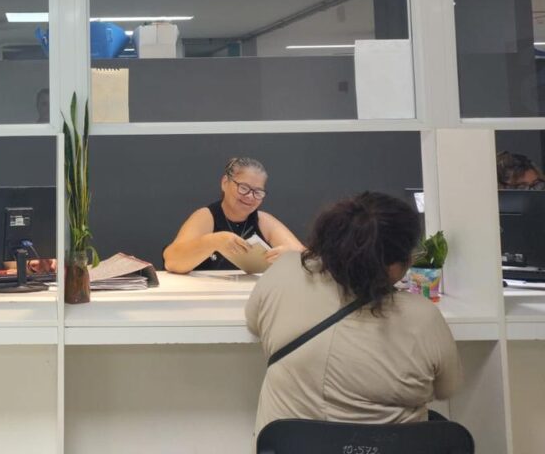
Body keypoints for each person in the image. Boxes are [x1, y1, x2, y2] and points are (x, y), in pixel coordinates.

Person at [245, 191, 462, 433]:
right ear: (393, 265)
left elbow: (254, 323)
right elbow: (447, 388)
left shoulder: (285, 271)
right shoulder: (422, 317)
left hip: (288, 446)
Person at [163, 156, 304, 273]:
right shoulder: (206, 217)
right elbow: (172, 261)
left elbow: (308, 258)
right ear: (225, 183)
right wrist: (213, 241)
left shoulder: (264, 220)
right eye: (243, 188)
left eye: (258, 192)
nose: (250, 196)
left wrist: (291, 255)